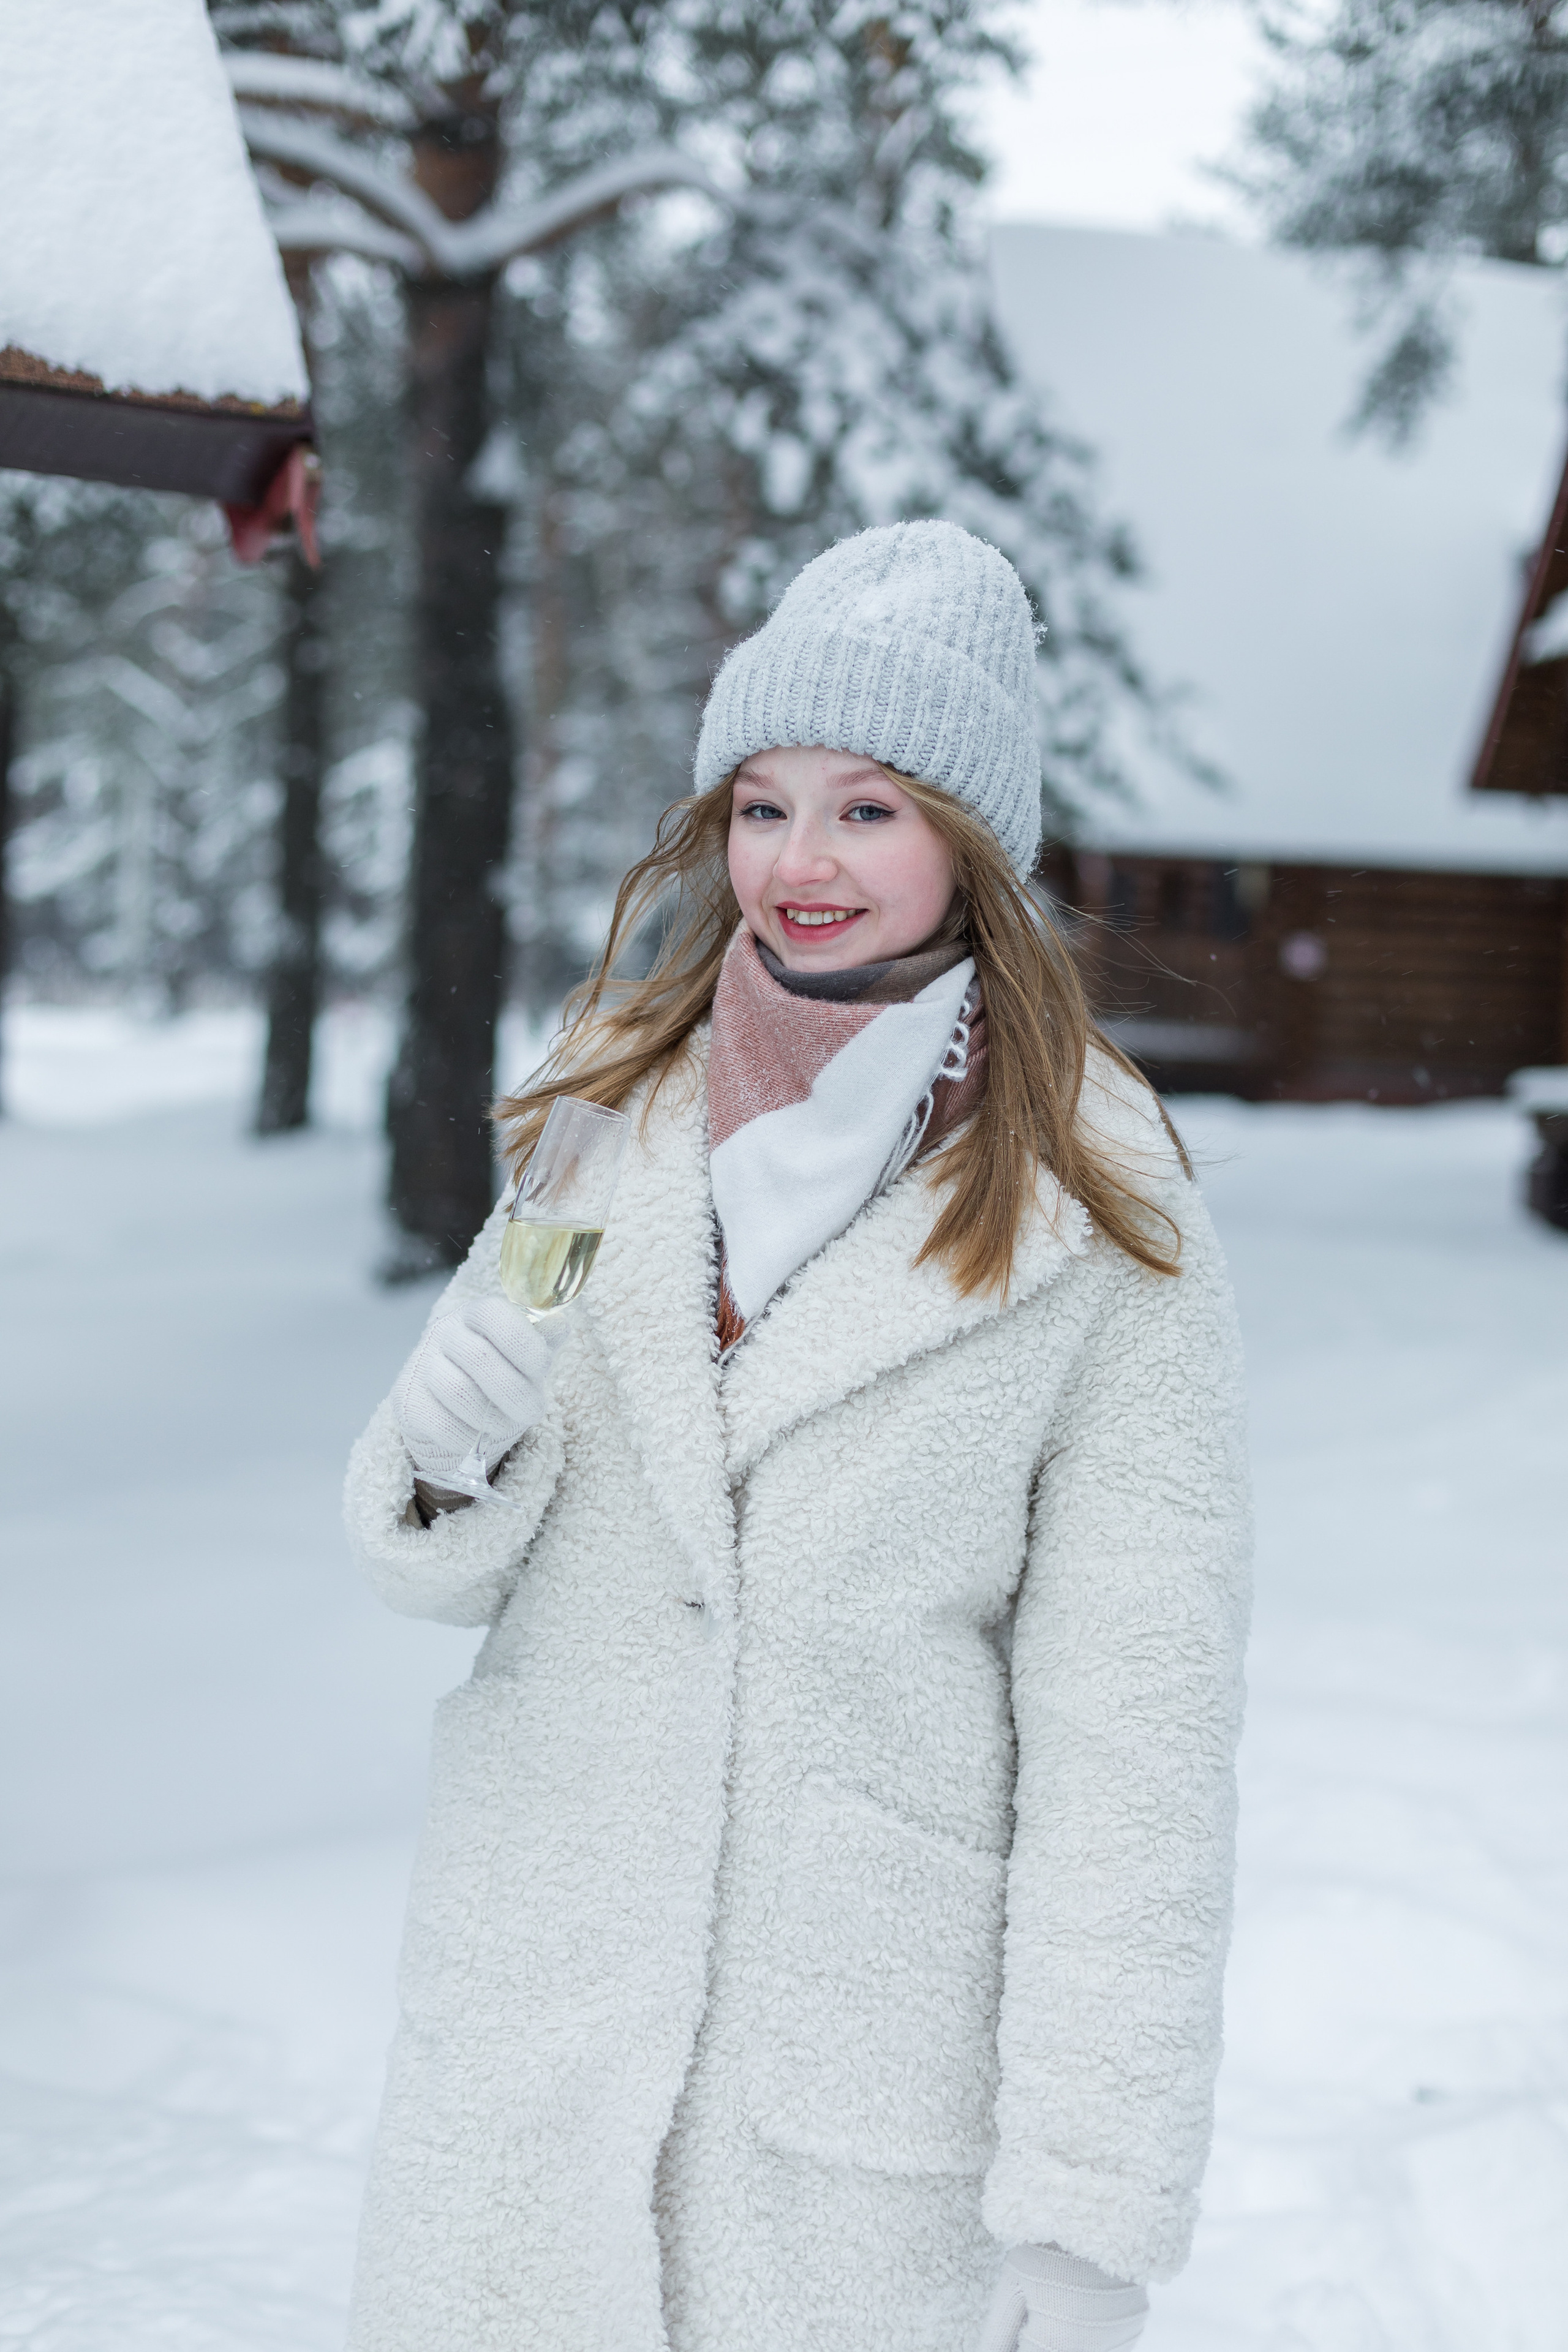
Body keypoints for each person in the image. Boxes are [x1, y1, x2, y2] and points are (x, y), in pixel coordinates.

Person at [342, 521, 1252, 2352]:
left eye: (867, 809)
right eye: (763, 805)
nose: (801, 862)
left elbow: (1134, 1748)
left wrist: (1089, 2204)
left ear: (968, 839)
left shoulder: (1106, 1204)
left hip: (848, 2079)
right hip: (542, 2021)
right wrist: (448, 1454)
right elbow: (452, 1551)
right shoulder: (608, 1099)